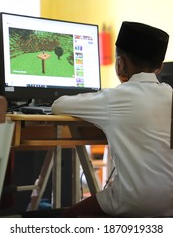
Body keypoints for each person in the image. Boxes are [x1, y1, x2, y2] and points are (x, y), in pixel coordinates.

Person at [51, 21, 173, 217]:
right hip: (169, 205)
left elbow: (58, 106)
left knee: (64, 219)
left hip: (133, 202)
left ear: (120, 63)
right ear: (159, 67)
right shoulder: (170, 94)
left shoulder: (114, 98)